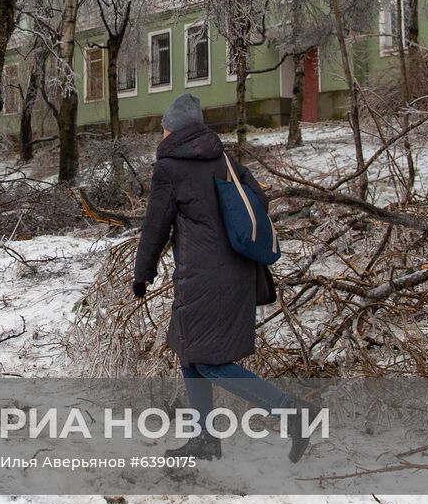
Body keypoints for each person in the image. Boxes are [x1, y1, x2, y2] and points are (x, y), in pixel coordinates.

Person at [131, 93, 311, 463]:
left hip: (202, 279)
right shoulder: (224, 159)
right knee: (187, 350)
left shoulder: (170, 167)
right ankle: (205, 439)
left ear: (173, 130)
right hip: (236, 273)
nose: (161, 135)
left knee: (209, 360)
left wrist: (142, 272)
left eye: (163, 128)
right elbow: (258, 200)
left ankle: (292, 412)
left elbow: (155, 227)